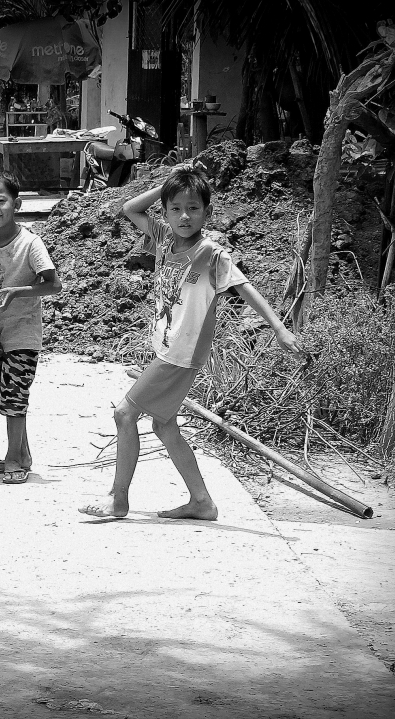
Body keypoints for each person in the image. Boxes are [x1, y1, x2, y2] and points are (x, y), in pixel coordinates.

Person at [80, 164, 303, 519]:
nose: (184, 216)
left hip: (182, 353)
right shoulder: (165, 238)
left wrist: (278, 328)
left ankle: (117, 498)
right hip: (165, 345)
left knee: (124, 414)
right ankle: (201, 502)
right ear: (166, 213)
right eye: (176, 208)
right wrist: (169, 182)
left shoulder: (213, 254)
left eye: (194, 208)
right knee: (163, 425)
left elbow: (245, 288)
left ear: (208, 212)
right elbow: (129, 209)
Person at [0, 170, 62, 484]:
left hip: (23, 333)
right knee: (7, 394)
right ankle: (21, 454)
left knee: (15, 396)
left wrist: (18, 292)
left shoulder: (30, 243)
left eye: (1, 200)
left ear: (17, 203)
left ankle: (15, 459)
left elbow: (53, 285)